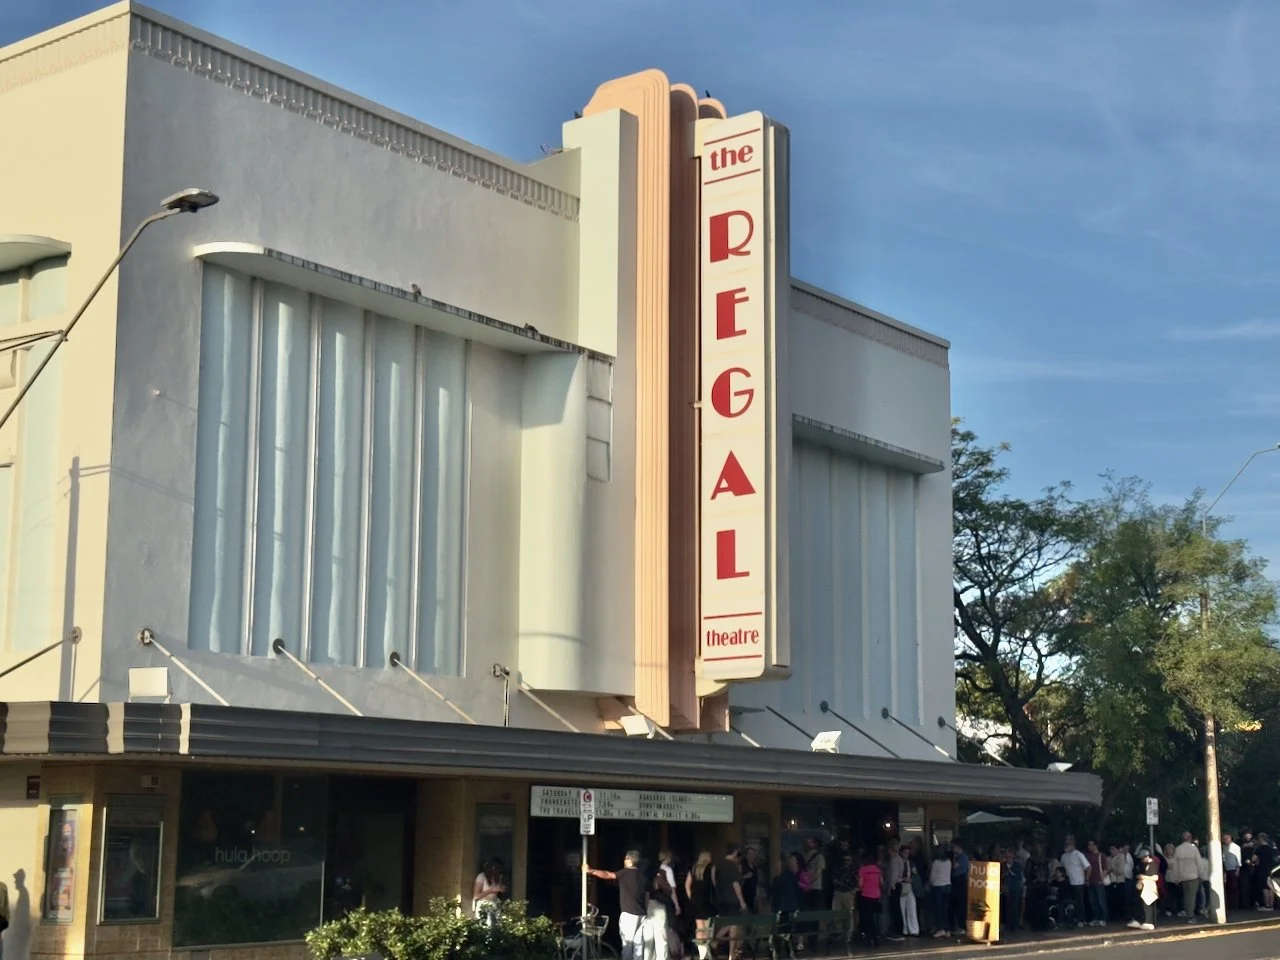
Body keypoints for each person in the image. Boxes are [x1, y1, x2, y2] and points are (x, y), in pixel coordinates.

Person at [586, 850, 647, 960]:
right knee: (639, 945)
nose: (624, 861)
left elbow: (608, 875)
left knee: (627, 944)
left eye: (625, 859)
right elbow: (647, 895)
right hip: (642, 915)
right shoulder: (643, 876)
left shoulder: (625, 872)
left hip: (629, 914)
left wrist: (592, 871)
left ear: (630, 861)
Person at [711, 845, 748, 960]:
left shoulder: (718, 865)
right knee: (734, 924)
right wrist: (742, 901)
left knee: (730, 924)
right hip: (732, 899)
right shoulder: (732, 866)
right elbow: (735, 884)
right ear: (735, 852)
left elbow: (714, 879)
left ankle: (722, 947)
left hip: (721, 899)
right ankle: (720, 944)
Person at [685, 852, 714, 960]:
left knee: (699, 929)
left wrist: (691, 897)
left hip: (696, 902)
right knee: (707, 929)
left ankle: (702, 953)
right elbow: (714, 884)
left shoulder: (693, 869)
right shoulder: (710, 869)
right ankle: (706, 951)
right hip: (706, 901)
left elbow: (687, 884)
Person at [1126, 848, 1159, 931]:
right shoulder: (1145, 865)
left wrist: (1143, 877)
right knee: (1142, 904)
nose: (1141, 860)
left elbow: (1155, 877)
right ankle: (1140, 920)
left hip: (1150, 887)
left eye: (1142, 858)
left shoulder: (1152, 864)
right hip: (1145, 886)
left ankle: (1149, 921)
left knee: (1148, 904)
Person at [1060, 837, 1090, 925]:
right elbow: (1061, 867)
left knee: (1079, 901)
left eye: (1068, 844)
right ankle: (1071, 918)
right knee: (1069, 901)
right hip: (1068, 881)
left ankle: (1081, 919)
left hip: (1078, 881)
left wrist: (1087, 879)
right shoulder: (1064, 856)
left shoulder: (1078, 854)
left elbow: (1088, 867)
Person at [1172, 832, 1200, 921]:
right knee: (1192, 897)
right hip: (1193, 875)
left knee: (1186, 896)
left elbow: (1175, 864)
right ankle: (1191, 916)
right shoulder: (1193, 848)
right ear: (1190, 838)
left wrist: (1176, 877)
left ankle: (1187, 912)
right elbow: (1198, 862)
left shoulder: (1178, 849)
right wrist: (1201, 874)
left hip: (1182, 876)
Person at [472, 858, 507, 927]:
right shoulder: (481, 876)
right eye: (497, 869)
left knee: (496, 927)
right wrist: (491, 890)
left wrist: (502, 889)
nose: (498, 871)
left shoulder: (498, 877)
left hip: (495, 904)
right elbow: (476, 896)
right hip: (484, 905)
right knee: (487, 927)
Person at [928, 846, 952, 938]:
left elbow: (932, 876)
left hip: (938, 887)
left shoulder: (936, 863)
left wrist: (931, 883)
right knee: (945, 909)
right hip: (947, 886)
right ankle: (947, 929)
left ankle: (941, 928)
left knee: (938, 909)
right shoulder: (949, 862)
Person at [898, 844, 920, 937]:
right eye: (905, 852)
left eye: (908, 853)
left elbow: (915, 873)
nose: (907, 854)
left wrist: (912, 878)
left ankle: (914, 929)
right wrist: (903, 879)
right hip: (901, 885)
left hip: (909, 886)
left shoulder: (910, 863)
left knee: (912, 907)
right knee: (902, 909)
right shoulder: (898, 862)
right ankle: (905, 929)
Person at [949, 841, 970, 934]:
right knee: (955, 904)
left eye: (953, 847)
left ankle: (962, 927)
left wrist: (953, 858)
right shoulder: (960, 857)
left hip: (960, 881)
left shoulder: (962, 857)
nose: (952, 850)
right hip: (956, 881)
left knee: (961, 905)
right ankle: (956, 926)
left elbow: (954, 866)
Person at [1224, 833, 1242, 911]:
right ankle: (1229, 904)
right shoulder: (1223, 847)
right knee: (1228, 887)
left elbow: (1238, 859)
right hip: (1226, 869)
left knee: (1234, 887)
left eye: (1226, 838)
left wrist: (1238, 869)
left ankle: (1235, 905)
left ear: (1230, 838)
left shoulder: (1235, 847)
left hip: (1233, 869)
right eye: (1224, 839)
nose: (1225, 840)